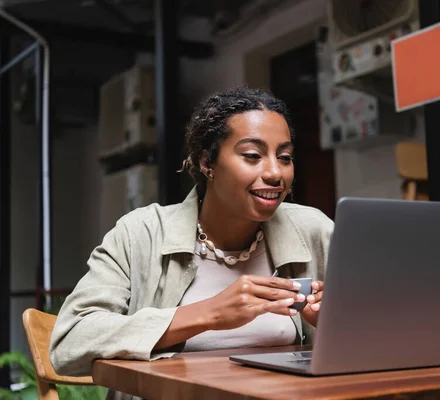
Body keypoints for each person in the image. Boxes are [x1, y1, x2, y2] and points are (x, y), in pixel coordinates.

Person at [49, 87, 334, 383]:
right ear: (206, 163)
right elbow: (70, 342)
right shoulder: (141, 233)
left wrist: (335, 325)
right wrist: (208, 314)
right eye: (252, 155)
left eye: (285, 157)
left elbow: (375, 337)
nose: (276, 172)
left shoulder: (314, 229)